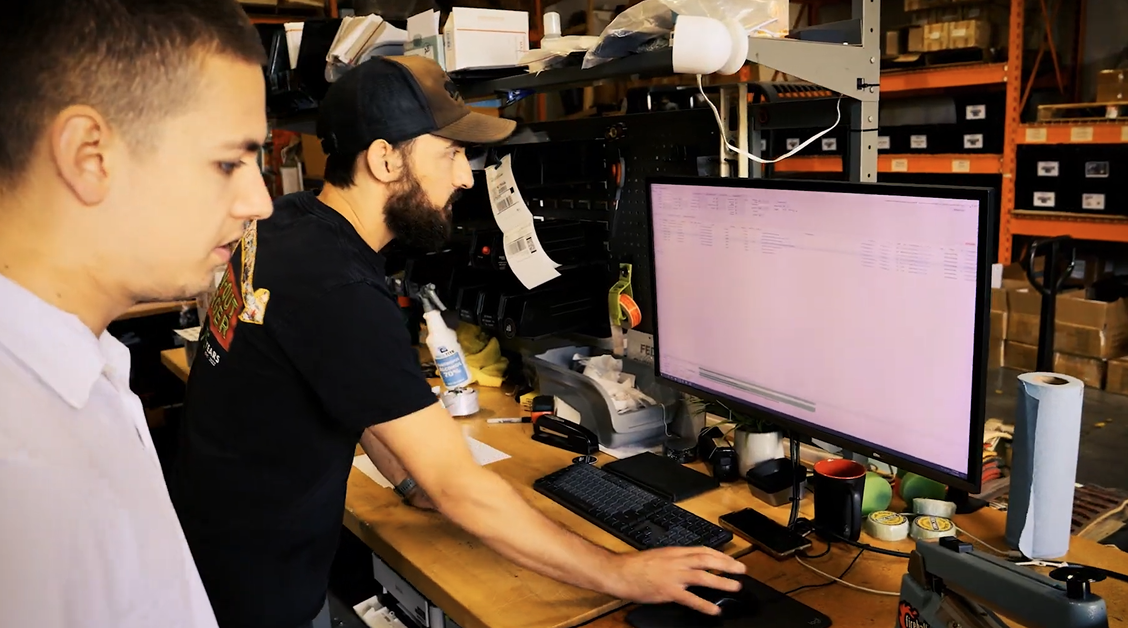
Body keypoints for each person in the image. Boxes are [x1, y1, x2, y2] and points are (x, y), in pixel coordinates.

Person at [170, 55, 746, 628]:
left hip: (217, 549)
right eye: (449, 153)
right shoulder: (336, 286)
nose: (466, 177)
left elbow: (349, 388)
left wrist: (406, 477)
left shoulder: (288, 225)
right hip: (254, 590)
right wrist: (625, 574)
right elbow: (459, 487)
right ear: (385, 159)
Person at [0, 2, 273, 627]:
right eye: (229, 162)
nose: (259, 201)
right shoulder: (19, 472)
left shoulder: (87, 370)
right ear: (90, 155)